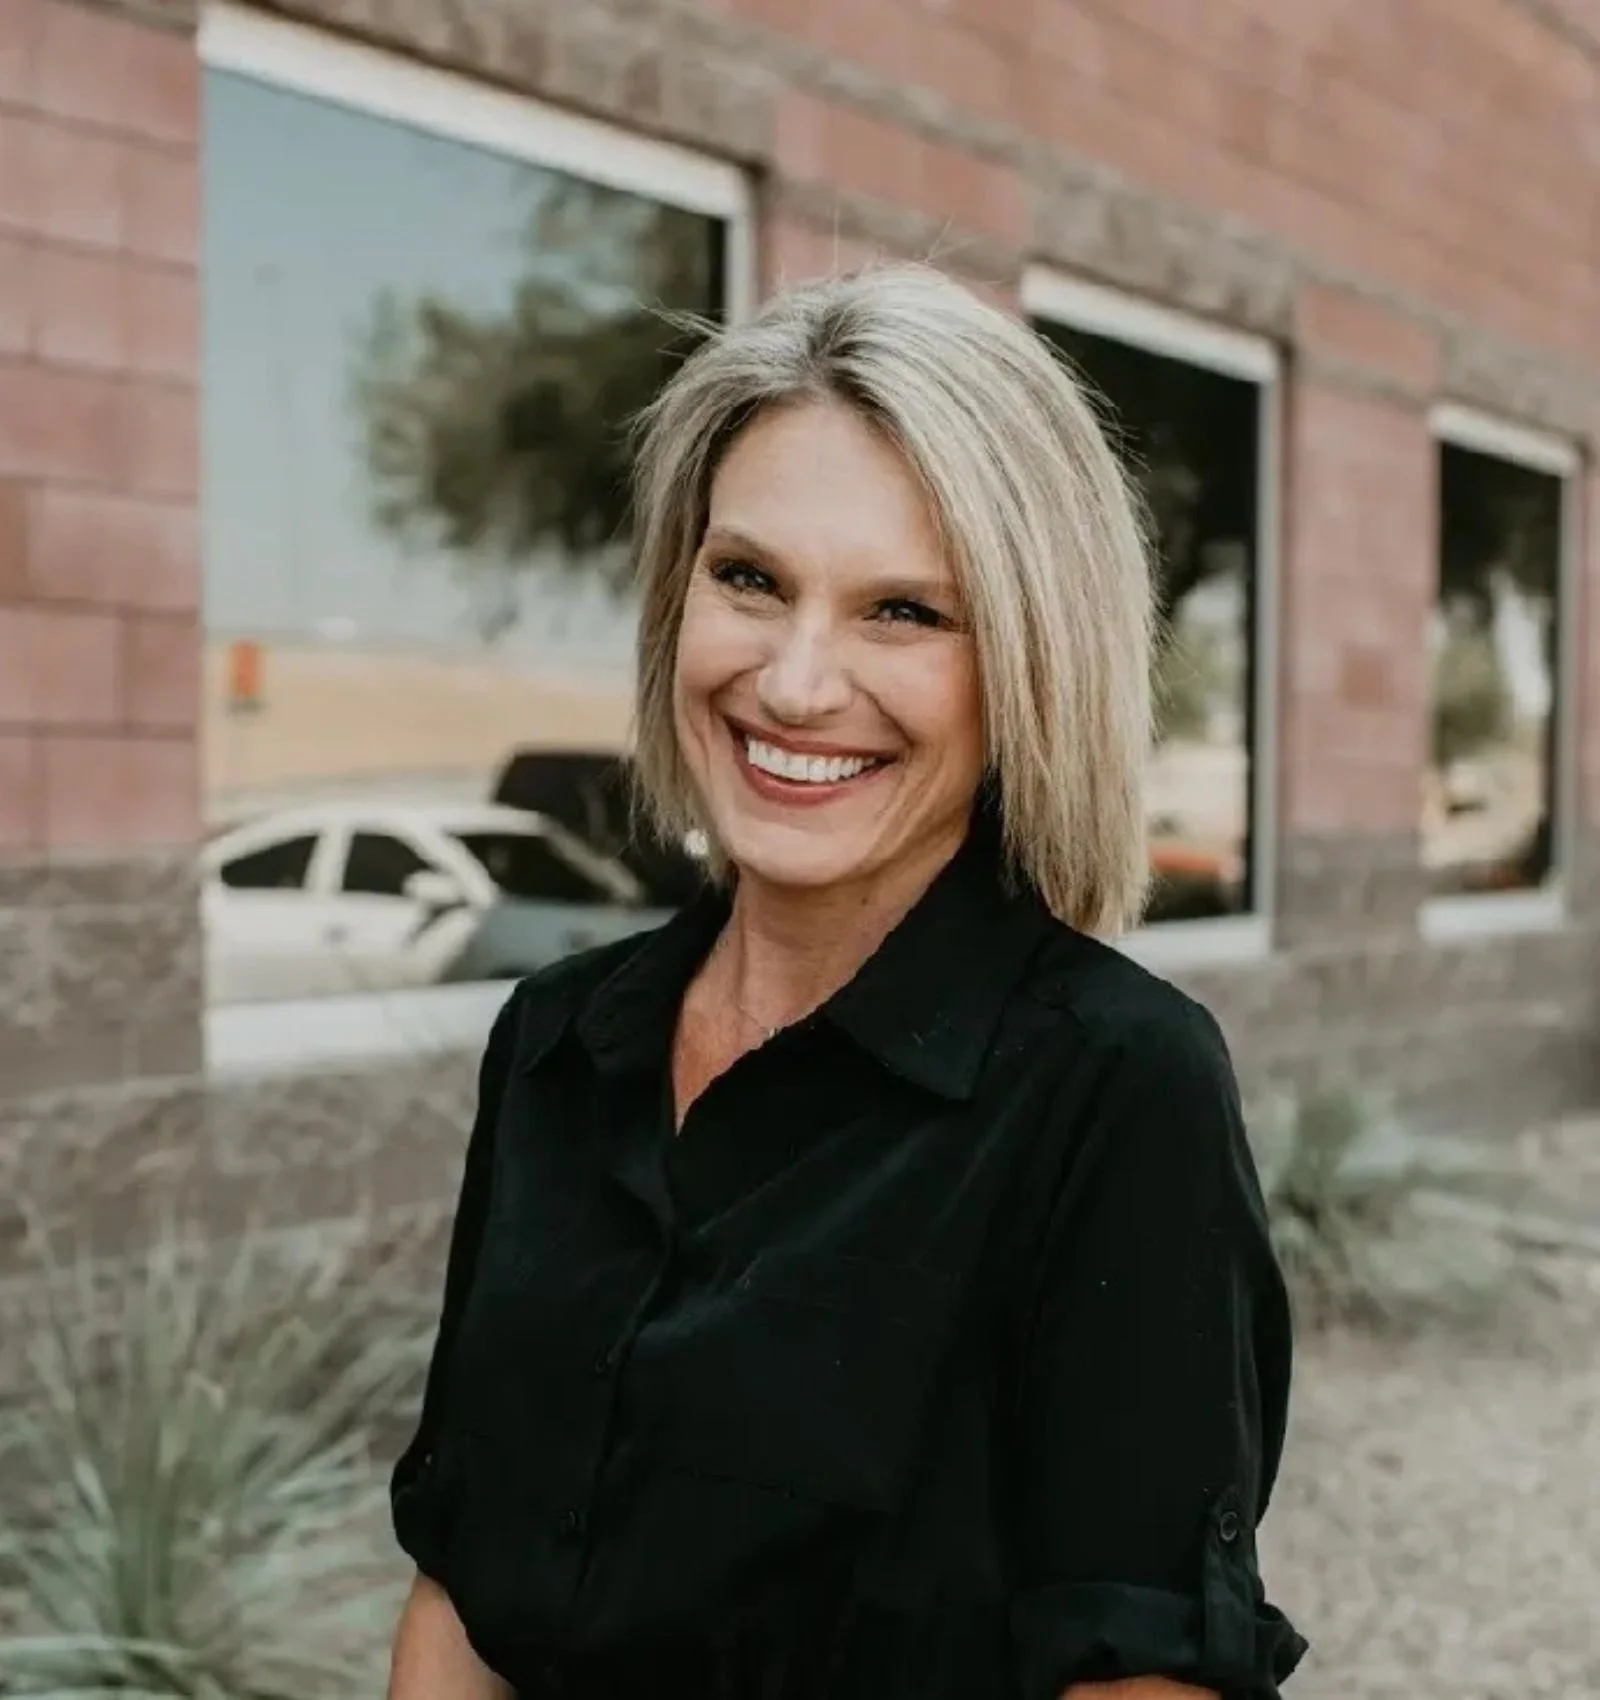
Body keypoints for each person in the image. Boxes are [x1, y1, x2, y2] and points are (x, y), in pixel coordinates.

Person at [385, 263, 1307, 1700]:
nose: (798, 684)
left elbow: (1142, 1678)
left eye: (904, 614)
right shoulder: (557, 1046)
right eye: (750, 578)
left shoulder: (1113, 1091)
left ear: (1027, 665)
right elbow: (463, 1591)